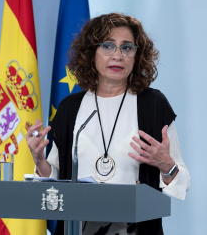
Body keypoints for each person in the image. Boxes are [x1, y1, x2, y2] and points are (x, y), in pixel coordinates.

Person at [26, 13, 190, 235]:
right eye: (107, 46)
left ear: (136, 56)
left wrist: (165, 165)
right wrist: (38, 159)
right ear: (91, 54)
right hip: (77, 228)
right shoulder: (70, 108)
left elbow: (181, 181)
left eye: (127, 48)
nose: (118, 56)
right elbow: (53, 178)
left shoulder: (153, 105)